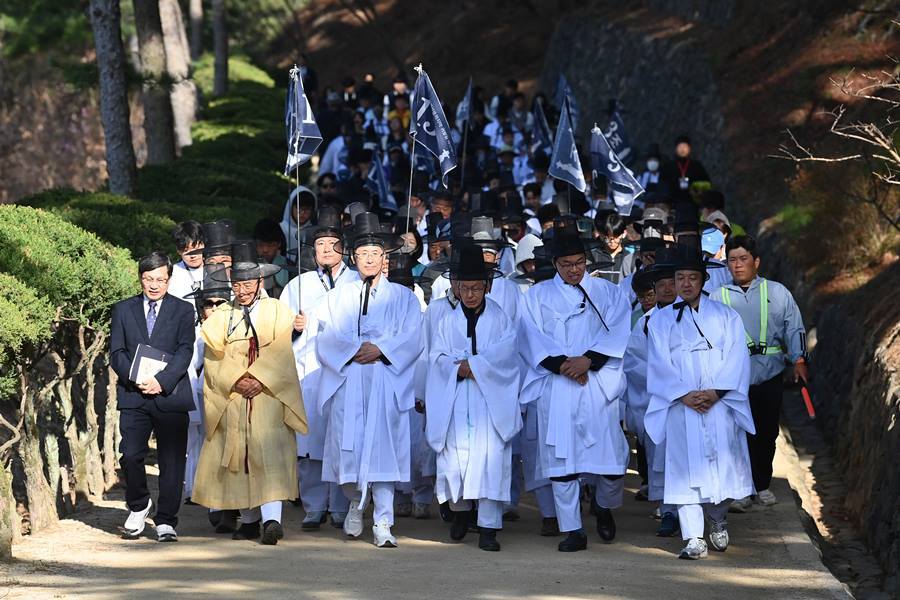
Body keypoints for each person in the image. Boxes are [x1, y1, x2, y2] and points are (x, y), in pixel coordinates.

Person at [518, 217, 631, 552]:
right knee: (563, 463)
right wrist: (563, 365)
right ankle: (573, 530)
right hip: (557, 384)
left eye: (580, 263)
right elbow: (529, 337)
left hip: (596, 383)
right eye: (566, 265)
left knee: (610, 464)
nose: (574, 270)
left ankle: (604, 506)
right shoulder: (536, 296)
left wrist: (589, 361)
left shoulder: (608, 293)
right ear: (555, 264)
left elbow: (619, 331)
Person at [315, 212, 424, 548]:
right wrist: (353, 349)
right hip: (349, 380)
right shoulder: (337, 297)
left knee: (384, 450)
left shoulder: (403, 297)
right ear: (353, 257)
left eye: (375, 254)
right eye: (362, 254)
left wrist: (381, 349)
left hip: (385, 380)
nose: (368, 260)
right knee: (348, 448)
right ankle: (353, 501)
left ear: (385, 257)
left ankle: (383, 521)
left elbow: (413, 336)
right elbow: (325, 337)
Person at [191, 242, 308, 546]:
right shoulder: (222, 314)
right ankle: (249, 519)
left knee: (269, 451)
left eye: (247, 284)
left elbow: (283, 350)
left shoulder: (277, 309)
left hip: (268, 392)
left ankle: (271, 520)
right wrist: (236, 379)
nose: (242, 290)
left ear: (260, 282)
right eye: (237, 284)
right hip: (234, 395)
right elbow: (214, 357)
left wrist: (258, 377)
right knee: (239, 454)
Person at [644, 245, 755, 560]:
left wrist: (717, 392)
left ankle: (718, 517)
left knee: (722, 467)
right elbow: (658, 362)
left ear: (704, 281)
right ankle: (693, 536)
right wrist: (683, 393)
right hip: (682, 405)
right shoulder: (661, 320)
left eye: (693, 278)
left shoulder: (725, 316)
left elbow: (737, 356)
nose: (686, 284)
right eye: (680, 278)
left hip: (718, 403)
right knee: (683, 470)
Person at [425, 244, 522, 551]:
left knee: (489, 458)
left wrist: (475, 365)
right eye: (464, 288)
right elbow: (436, 356)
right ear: (456, 286)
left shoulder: (500, 319)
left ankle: (489, 527)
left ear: (487, 286)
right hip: (455, 400)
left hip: (488, 402)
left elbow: (507, 356)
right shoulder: (446, 320)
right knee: (456, 457)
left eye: (476, 288)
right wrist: (456, 368)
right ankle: (460, 513)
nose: (470, 294)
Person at [710, 235, 808, 511]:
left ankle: (761, 484)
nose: (738, 265)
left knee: (766, 432)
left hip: (770, 374)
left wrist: (798, 359)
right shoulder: (718, 297)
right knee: (736, 432)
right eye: (732, 260)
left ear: (756, 261)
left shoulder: (777, 293)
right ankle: (741, 488)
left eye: (743, 259)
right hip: (733, 377)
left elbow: (794, 327)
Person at [280, 207, 359, 530]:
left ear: (344, 247)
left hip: (345, 370)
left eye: (332, 243)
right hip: (308, 371)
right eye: (320, 244)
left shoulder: (356, 282)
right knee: (309, 442)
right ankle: (313, 505)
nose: (326, 250)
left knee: (341, 439)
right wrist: (294, 328)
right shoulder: (298, 285)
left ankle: (341, 505)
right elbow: (278, 330)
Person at [109, 251, 196, 542]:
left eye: (160, 279)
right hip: (134, 394)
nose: (154, 284)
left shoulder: (184, 310)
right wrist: (135, 378)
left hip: (170, 393)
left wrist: (162, 381)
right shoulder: (123, 309)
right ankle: (139, 504)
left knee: (172, 460)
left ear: (169, 279)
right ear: (140, 279)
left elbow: (186, 350)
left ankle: (166, 520)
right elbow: (116, 352)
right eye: (148, 279)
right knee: (131, 454)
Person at [623, 247, 679, 537]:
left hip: (695, 402)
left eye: (673, 282)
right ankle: (669, 511)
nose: (668, 288)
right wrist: (666, 383)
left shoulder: (702, 314)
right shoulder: (646, 323)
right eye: (661, 284)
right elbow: (633, 363)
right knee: (662, 460)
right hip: (659, 401)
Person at [182, 265, 237, 530]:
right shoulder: (194, 333)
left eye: (220, 303)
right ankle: (218, 504)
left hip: (237, 394)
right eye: (208, 304)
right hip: (205, 395)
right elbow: (189, 367)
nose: (213, 308)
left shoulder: (241, 326)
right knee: (211, 448)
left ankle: (237, 504)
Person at [659, 135, 710, 206]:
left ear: (689, 149)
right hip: (673, 203)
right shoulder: (668, 167)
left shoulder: (697, 166)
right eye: (680, 147)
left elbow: (706, 183)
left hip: (693, 204)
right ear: (676, 149)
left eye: (685, 147)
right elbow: (663, 185)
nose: (682, 149)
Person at [168, 221, 205, 300]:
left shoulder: (215, 268)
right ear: (178, 251)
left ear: (204, 245)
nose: (193, 255)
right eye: (186, 250)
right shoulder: (172, 273)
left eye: (196, 248)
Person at [253, 218, 290, 299]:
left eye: (270, 245)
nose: (265, 250)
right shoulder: (250, 267)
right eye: (260, 245)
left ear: (279, 244)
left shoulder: (290, 267)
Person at [280, 186, 316, 267]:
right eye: (299, 208)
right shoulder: (279, 229)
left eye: (307, 209)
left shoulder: (314, 232)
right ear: (291, 207)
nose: (302, 213)